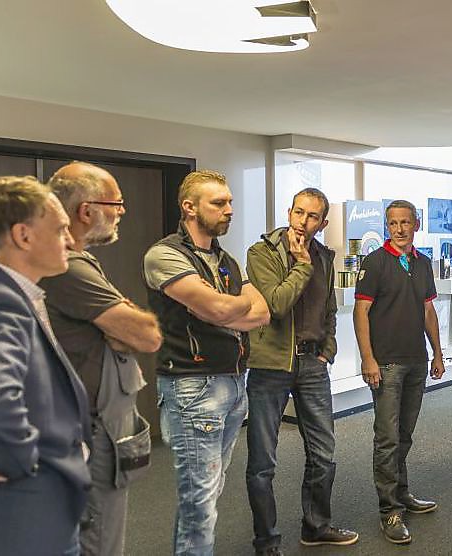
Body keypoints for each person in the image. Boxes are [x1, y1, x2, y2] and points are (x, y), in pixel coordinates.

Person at [0, 176, 90, 555]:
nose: (71, 240)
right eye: (60, 229)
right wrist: (13, 459)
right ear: (23, 236)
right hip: (14, 515)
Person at [143, 170, 270, 556]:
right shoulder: (165, 255)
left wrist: (225, 308)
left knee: (208, 493)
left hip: (233, 384)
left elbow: (262, 312)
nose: (229, 210)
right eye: (218, 203)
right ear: (189, 207)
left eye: (230, 202)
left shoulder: (226, 259)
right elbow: (219, 309)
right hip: (192, 387)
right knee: (199, 501)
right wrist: (230, 306)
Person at [42, 162, 163, 556]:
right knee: (97, 542)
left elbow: (131, 330)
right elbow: (146, 335)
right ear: (86, 210)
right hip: (91, 433)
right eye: (116, 203)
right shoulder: (66, 266)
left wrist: (121, 324)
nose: (122, 211)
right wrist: (123, 325)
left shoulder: (78, 261)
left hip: (98, 425)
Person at [244, 188, 358, 556]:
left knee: (323, 453)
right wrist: (301, 264)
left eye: (311, 217)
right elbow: (277, 303)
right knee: (263, 462)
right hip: (270, 366)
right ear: (289, 212)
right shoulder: (261, 253)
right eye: (298, 212)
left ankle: (316, 527)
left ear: (323, 223)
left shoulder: (324, 256)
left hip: (312, 364)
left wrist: (328, 350)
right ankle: (267, 542)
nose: (302, 222)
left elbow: (328, 310)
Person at [353, 199, 446, 545]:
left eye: (405, 222)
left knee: (404, 435)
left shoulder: (422, 264)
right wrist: (368, 359)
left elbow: (428, 311)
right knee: (387, 439)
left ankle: (402, 494)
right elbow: (361, 313)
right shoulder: (375, 262)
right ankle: (389, 510)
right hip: (387, 364)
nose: (399, 229)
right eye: (392, 223)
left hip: (416, 361)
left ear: (415, 224)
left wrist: (437, 353)